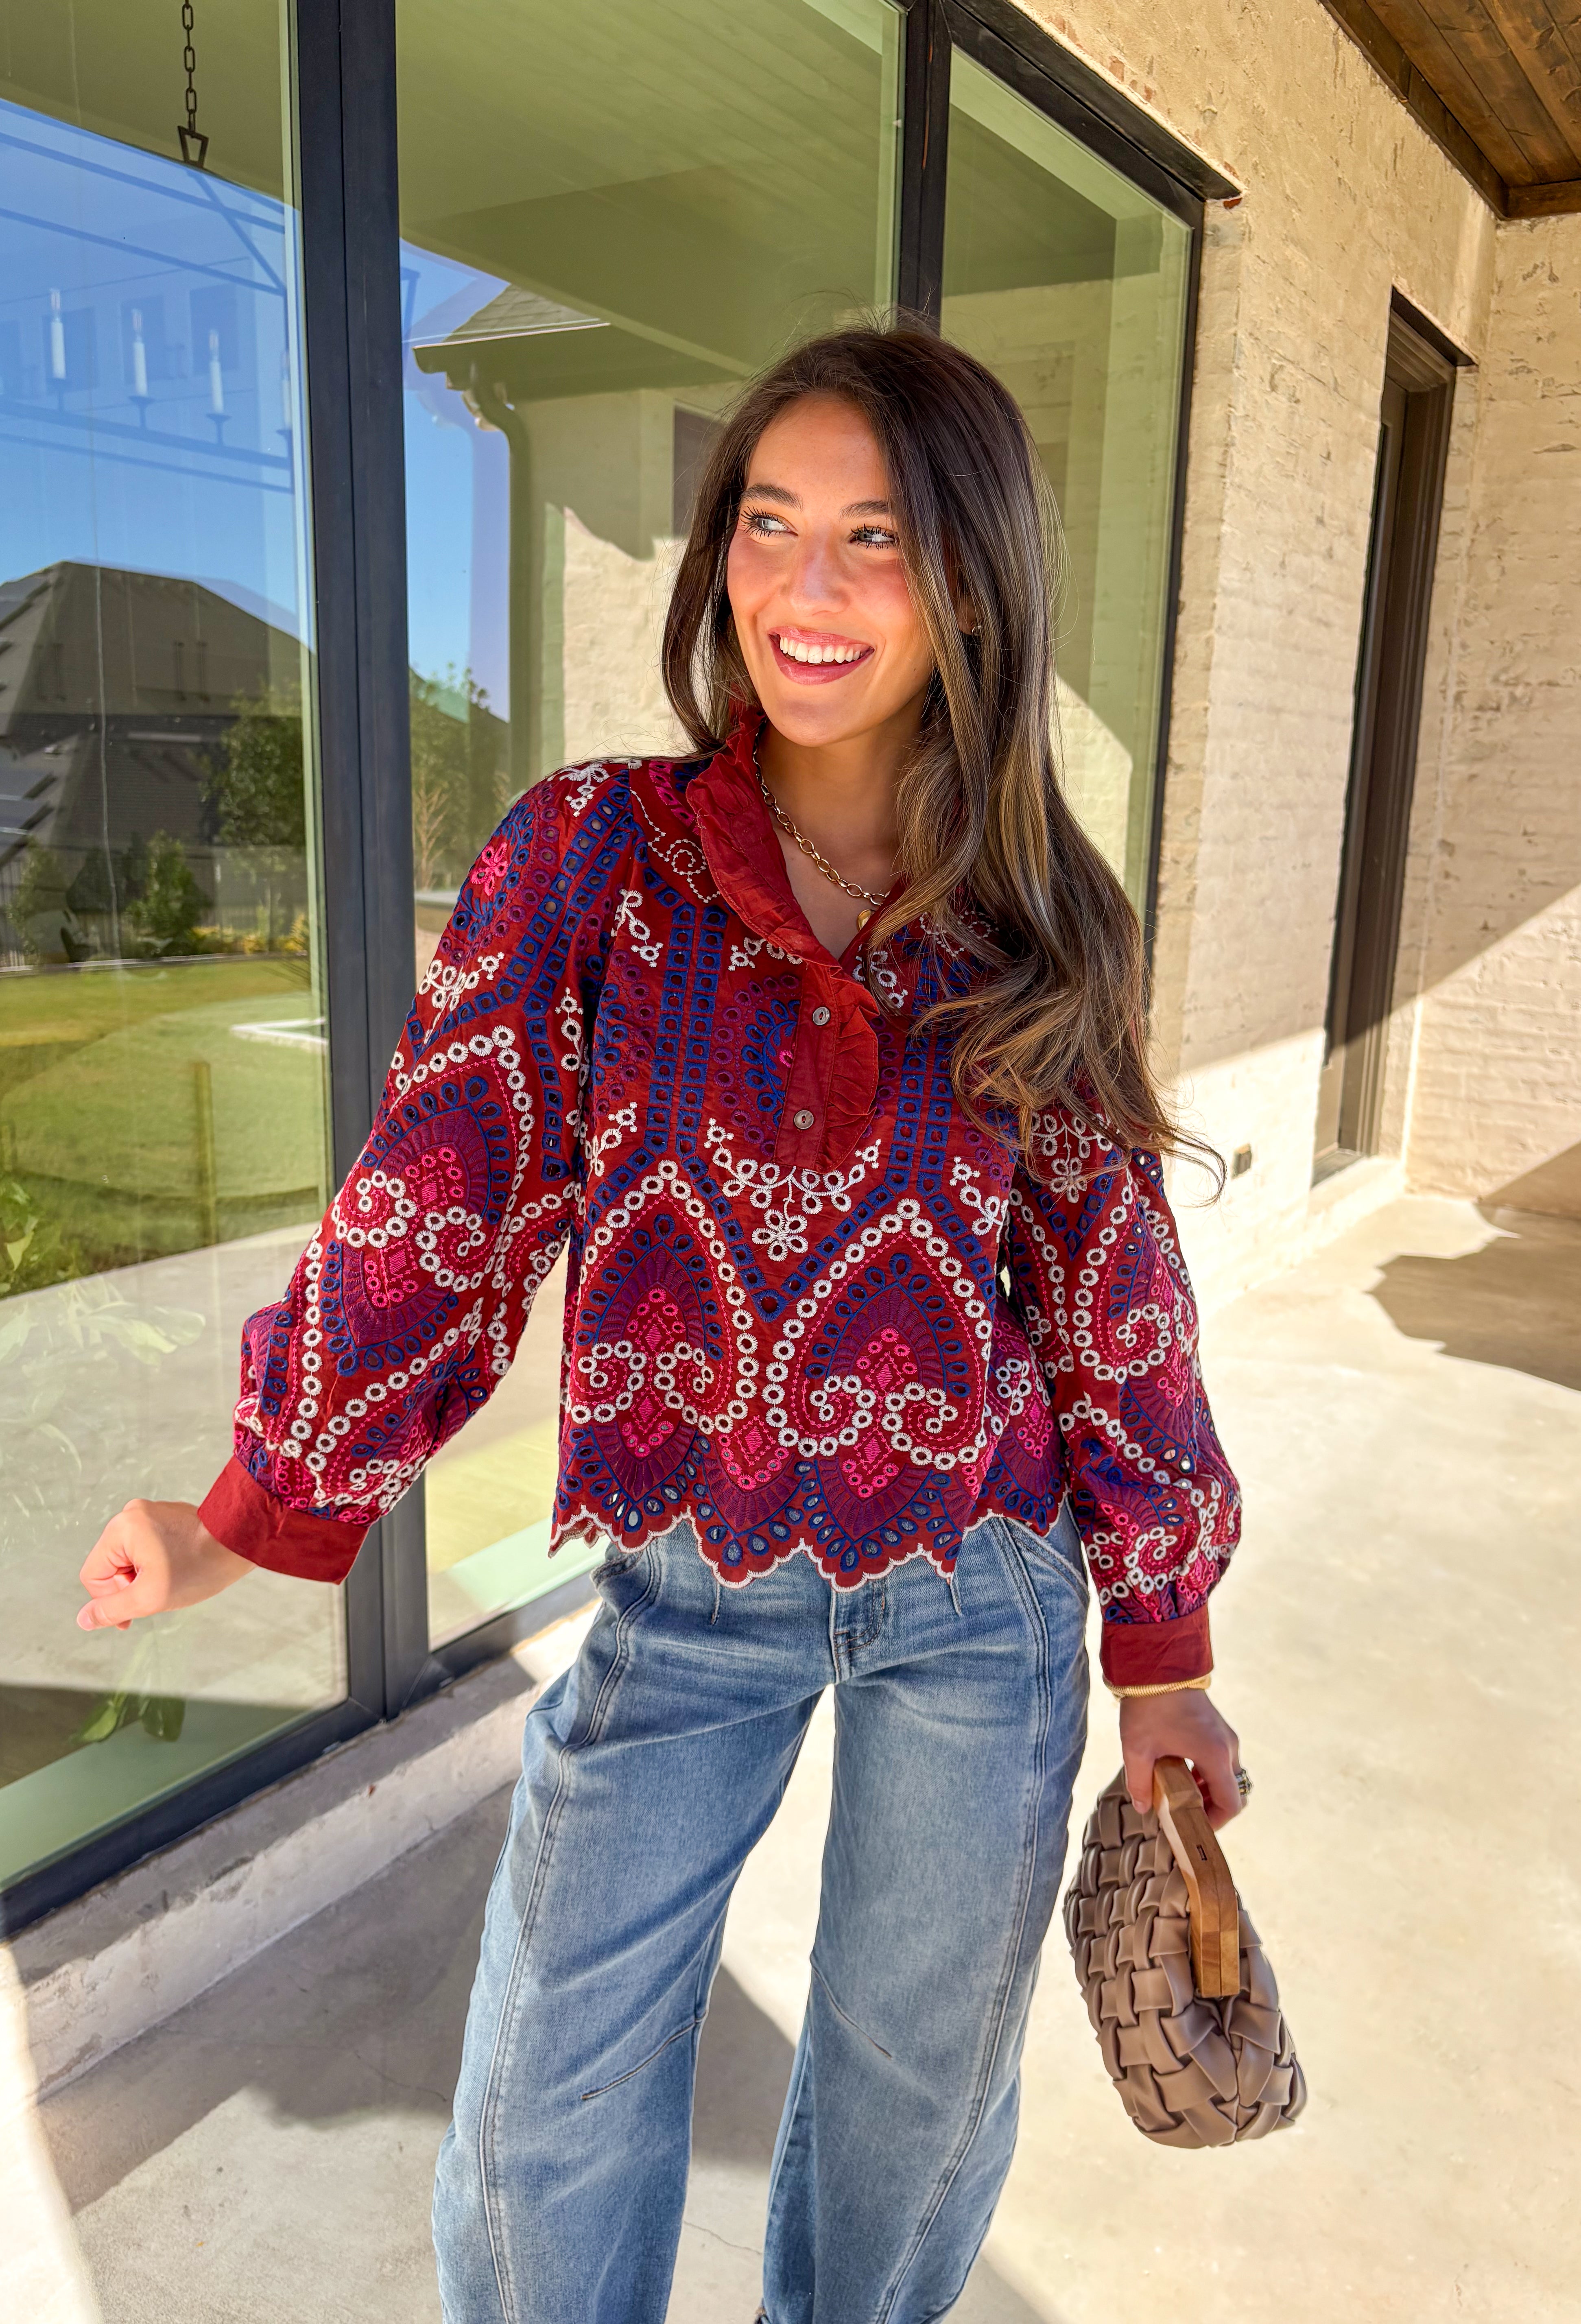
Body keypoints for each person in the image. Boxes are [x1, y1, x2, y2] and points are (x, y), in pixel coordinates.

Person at [79, 321, 1245, 2324]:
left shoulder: (1046, 913)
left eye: (875, 538)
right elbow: (448, 1184)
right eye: (769, 525)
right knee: (543, 2102)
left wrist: (1165, 1649)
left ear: (971, 584)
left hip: (980, 1591)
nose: (806, 585)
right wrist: (252, 1507)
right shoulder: (597, 859)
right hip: (691, 1582)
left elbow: (1112, 1289)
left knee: (911, 2105)